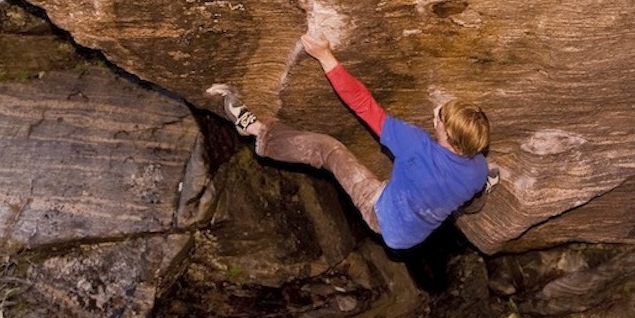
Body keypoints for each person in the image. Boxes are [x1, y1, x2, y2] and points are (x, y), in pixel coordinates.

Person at [206, 32, 492, 250]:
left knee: (328, 149)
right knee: (469, 190)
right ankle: (473, 199)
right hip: (417, 230)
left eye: (440, 118)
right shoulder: (478, 168)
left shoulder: (415, 146)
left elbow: (363, 104)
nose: (435, 112)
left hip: (383, 216)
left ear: (448, 136)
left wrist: (325, 56)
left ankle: (256, 131)